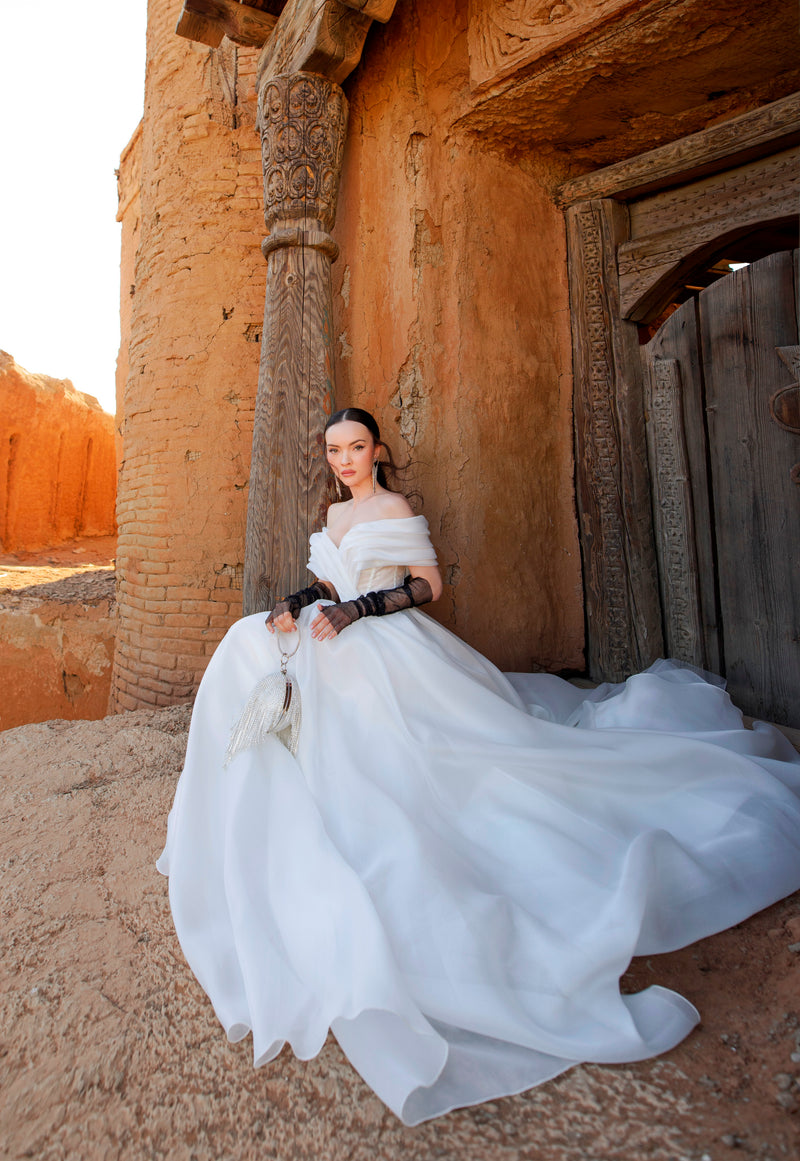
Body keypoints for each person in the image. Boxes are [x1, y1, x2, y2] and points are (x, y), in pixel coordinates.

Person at [157, 407, 800, 1126]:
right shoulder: (334, 512)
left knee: (432, 754)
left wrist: (359, 611)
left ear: (378, 449)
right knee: (247, 643)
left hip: (388, 644)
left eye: (356, 447)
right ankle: (240, 809)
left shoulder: (393, 505)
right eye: (334, 449)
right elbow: (329, 587)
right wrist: (296, 604)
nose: (344, 459)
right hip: (337, 635)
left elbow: (428, 585)